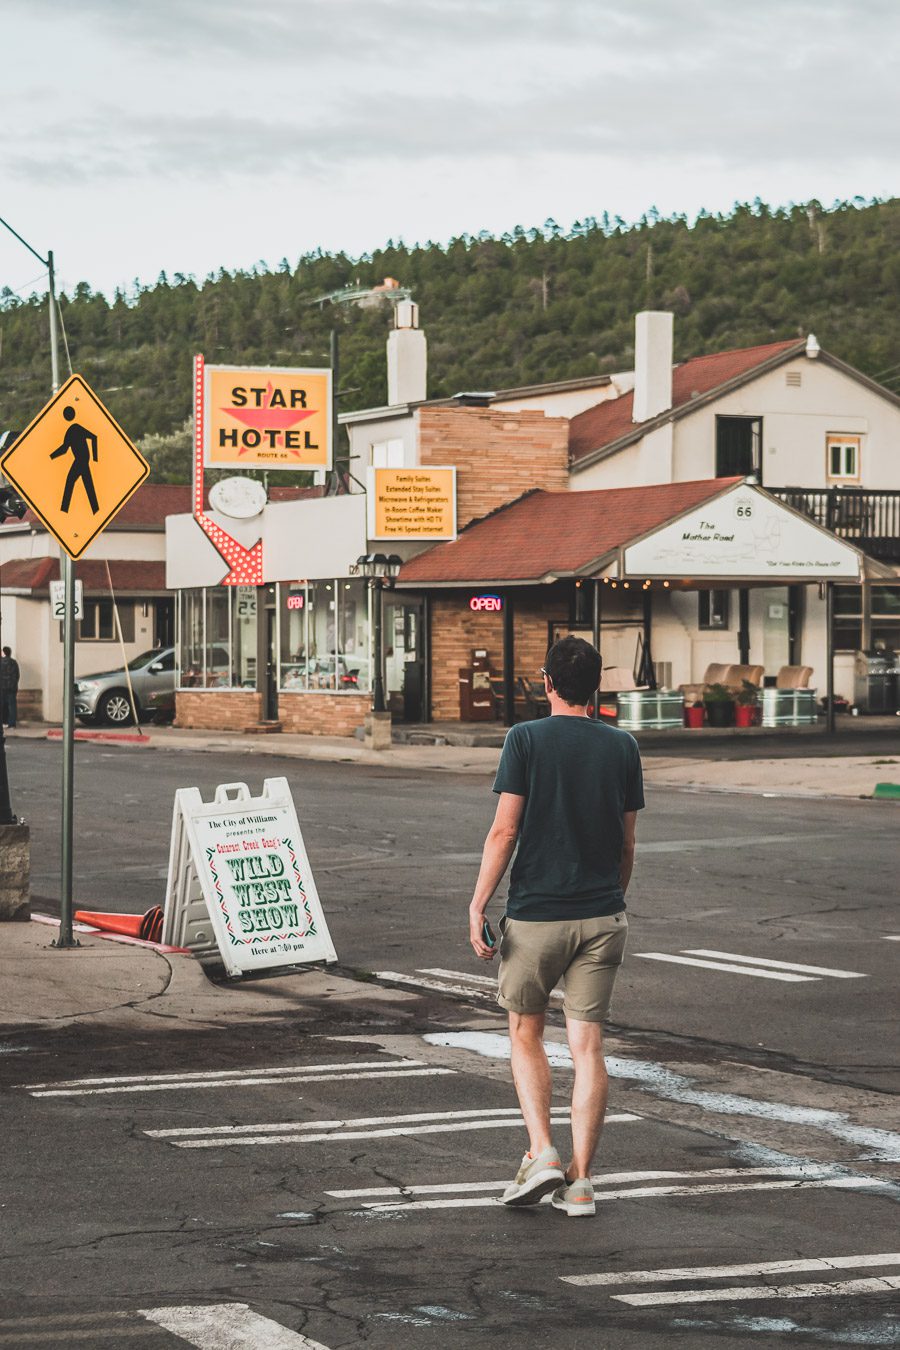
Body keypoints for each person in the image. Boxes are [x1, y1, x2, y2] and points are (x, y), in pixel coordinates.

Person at [468, 635, 644, 1216]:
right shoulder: (622, 746)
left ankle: (542, 1150)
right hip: (603, 917)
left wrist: (477, 905)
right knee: (588, 1046)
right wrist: (609, 900)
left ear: (547, 682)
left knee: (525, 1033)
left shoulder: (525, 739)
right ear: (596, 687)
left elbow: (504, 831)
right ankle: (583, 1182)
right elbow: (626, 843)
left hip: (538, 916)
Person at [0, 646, 20, 729]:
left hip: (2, 688)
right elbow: (17, 675)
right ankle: (12, 724)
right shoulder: (14, 662)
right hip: (12, 688)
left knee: (2, 706)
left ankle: (3, 722)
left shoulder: (1, 662)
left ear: (4, 652)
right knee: (12, 706)